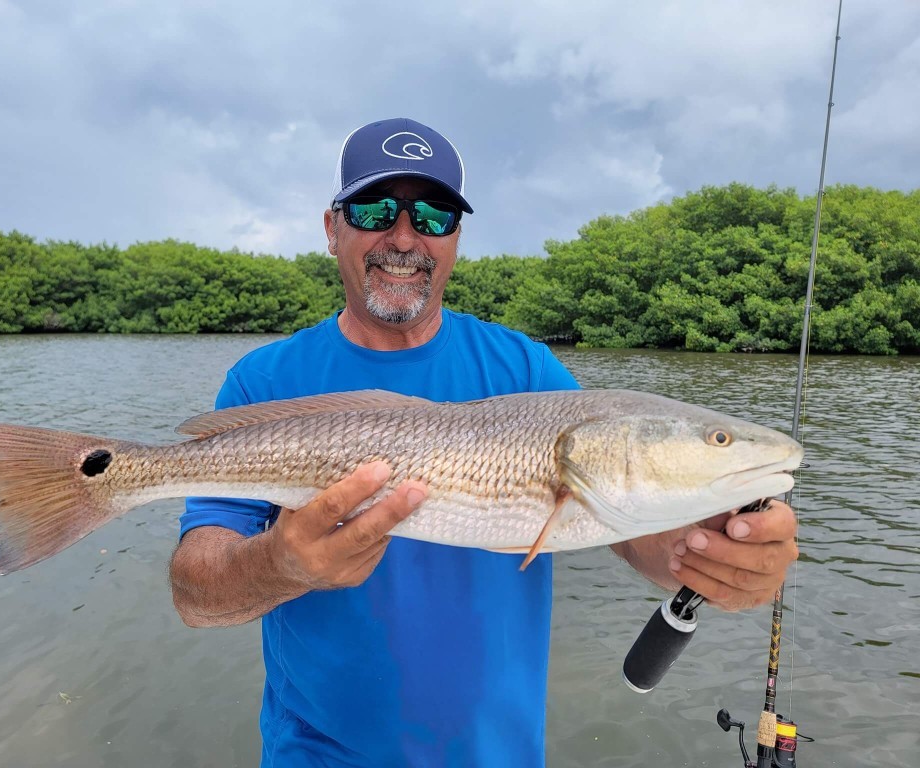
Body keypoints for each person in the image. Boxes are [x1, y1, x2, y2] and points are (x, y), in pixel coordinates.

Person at [169, 117, 798, 767]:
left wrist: (711, 555)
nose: (405, 237)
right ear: (333, 229)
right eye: (377, 210)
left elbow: (626, 524)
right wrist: (282, 564)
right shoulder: (264, 383)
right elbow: (196, 594)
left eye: (434, 216)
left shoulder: (527, 371)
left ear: (457, 238)